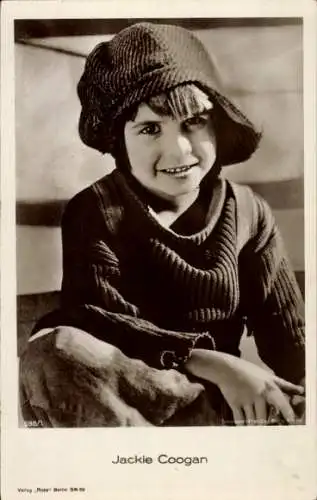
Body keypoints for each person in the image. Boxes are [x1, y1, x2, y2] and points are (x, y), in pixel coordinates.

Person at [20, 21, 305, 427]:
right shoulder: (96, 212)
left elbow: (292, 341)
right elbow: (106, 325)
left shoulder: (248, 211)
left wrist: (296, 391)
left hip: (224, 403)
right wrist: (210, 361)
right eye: (151, 129)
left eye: (194, 122)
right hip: (136, 398)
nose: (179, 149)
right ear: (118, 139)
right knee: (56, 352)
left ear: (218, 126)